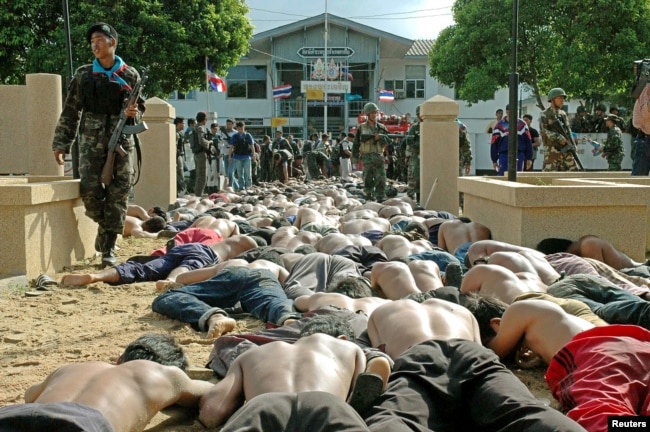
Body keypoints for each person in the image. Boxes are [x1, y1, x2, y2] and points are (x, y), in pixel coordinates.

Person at [362, 298, 584, 431]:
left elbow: (382, 355)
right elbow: (485, 351)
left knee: (395, 418)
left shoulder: (380, 312)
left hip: (420, 355)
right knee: (522, 411)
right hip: (472, 352)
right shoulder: (461, 311)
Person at [468, 295, 650, 432]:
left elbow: (488, 352)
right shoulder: (552, 321)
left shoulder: (518, 310)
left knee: (598, 415)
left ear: (496, 324)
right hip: (638, 345)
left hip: (599, 353)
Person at [52, 22, 144, 266]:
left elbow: (139, 111)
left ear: (112, 43)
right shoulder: (83, 74)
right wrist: (61, 142)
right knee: (90, 194)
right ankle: (108, 228)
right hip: (90, 144)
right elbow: (71, 111)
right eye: (92, 41)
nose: (95, 44)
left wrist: (134, 112)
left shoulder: (130, 75)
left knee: (119, 192)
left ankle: (108, 249)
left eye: (100, 40)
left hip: (122, 142)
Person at [0, 333, 213, 432]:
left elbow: (30, 396)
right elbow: (208, 392)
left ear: (119, 359)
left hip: (16, 416)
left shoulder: (75, 367)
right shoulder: (164, 375)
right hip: (85, 425)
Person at [198, 317, 379, 429]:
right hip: (325, 405)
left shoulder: (252, 354)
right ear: (342, 337)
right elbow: (358, 401)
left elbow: (212, 412)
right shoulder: (349, 348)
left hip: (265, 406)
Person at [353, 102, 391, 202]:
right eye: (372, 113)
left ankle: (380, 196)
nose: (374, 115)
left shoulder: (382, 127)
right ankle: (368, 194)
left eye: (375, 113)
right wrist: (355, 158)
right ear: (367, 114)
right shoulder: (361, 128)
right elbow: (356, 143)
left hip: (378, 156)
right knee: (367, 177)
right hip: (367, 157)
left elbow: (389, 141)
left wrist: (380, 138)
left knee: (381, 178)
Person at [539, 88, 580, 171]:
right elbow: (543, 131)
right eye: (559, 98)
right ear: (552, 99)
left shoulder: (563, 114)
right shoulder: (544, 114)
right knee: (549, 176)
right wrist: (558, 137)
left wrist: (573, 144)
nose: (562, 101)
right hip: (552, 151)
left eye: (563, 98)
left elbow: (568, 130)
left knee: (574, 171)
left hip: (566, 149)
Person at [490, 104, 533, 175]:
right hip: (504, 154)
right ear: (507, 111)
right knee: (503, 176)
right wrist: (494, 160)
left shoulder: (522, 124)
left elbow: (528, 141)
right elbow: (494, 143)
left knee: (517, 176)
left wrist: (529, 158)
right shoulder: (499, 125)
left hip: (519, 154)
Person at [632, 59, 650, 176]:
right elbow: (646, 112)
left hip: (646, 139)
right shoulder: (646, 89)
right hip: (646, 140)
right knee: (638, 183)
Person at [229, 120, 255, 191]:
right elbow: (231, 147)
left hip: (247, 156)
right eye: (239, 128)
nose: (240, 130)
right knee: (240, 174)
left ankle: (249, 187)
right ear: (237, 128)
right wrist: (229, 156)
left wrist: (254, 155)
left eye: (242, 128)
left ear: (244, 127)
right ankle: (241, 188)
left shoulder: (248, 135)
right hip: (237, 157)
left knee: (248, 173)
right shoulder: (234, 136)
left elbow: (252, 145)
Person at [191, 111, 212, 197]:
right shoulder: (200, 128)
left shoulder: (195, 127)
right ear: (204, 120)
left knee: (199, 175)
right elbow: (202, 141)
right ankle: (199, 194)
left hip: (196, 154)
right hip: (201, 153)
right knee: (203, 176)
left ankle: (197, 193)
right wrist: (209, 142)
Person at [405, 105, 421, 202]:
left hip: (427, 157)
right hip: (415, 156)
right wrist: (420, 143)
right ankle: (410, 201)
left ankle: (421, 199)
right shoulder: (414, 128)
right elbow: (409, 142)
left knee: (423, 181)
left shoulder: (429, 126)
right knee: (413, 180)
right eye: (419, 114)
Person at [173, 117, 187, 195]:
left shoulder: (179, 133)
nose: (184, 125)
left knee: (181, 174)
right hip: (177, 156)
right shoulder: (175, 133)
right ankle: (179, 192)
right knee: (179, 174)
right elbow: (175, 148)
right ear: (178, 124)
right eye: (183, 123)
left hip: (180, 156)